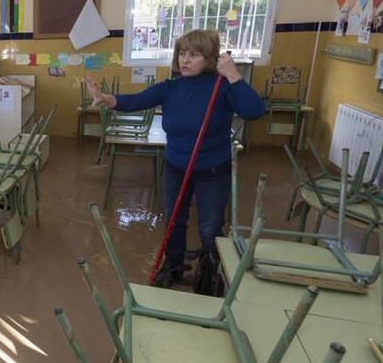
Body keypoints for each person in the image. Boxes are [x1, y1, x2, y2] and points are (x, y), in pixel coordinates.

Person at [86, 29, 265, 287]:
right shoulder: (170, 87)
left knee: (210, 227)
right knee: (173, 221)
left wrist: (234, 75)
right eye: (182, 53)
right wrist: (107, 98)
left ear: (210, 59)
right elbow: (135, 100)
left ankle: (209, 276)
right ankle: (174, 267)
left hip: (213, 170)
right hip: (175, 166)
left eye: (194, 54)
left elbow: (254, 111)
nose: (186, 60)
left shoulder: (222, 87)